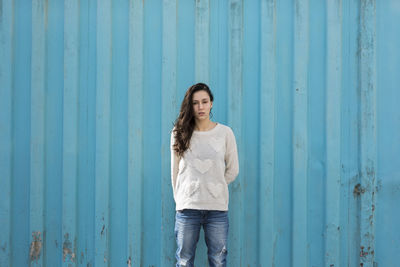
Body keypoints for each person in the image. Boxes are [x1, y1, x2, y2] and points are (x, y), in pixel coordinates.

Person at [170, 83, 239, 267]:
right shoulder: (179, 133)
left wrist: (216, 184)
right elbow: (175, 171)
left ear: (211, 104)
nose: (200, 107)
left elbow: (233, 169)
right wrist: (180, 200)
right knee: (184, 261)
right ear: (190, 106)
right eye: (195, 103)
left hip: (217, 209)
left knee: (218, 260)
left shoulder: (225, 133)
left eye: (204, 102)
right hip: (187, 208)